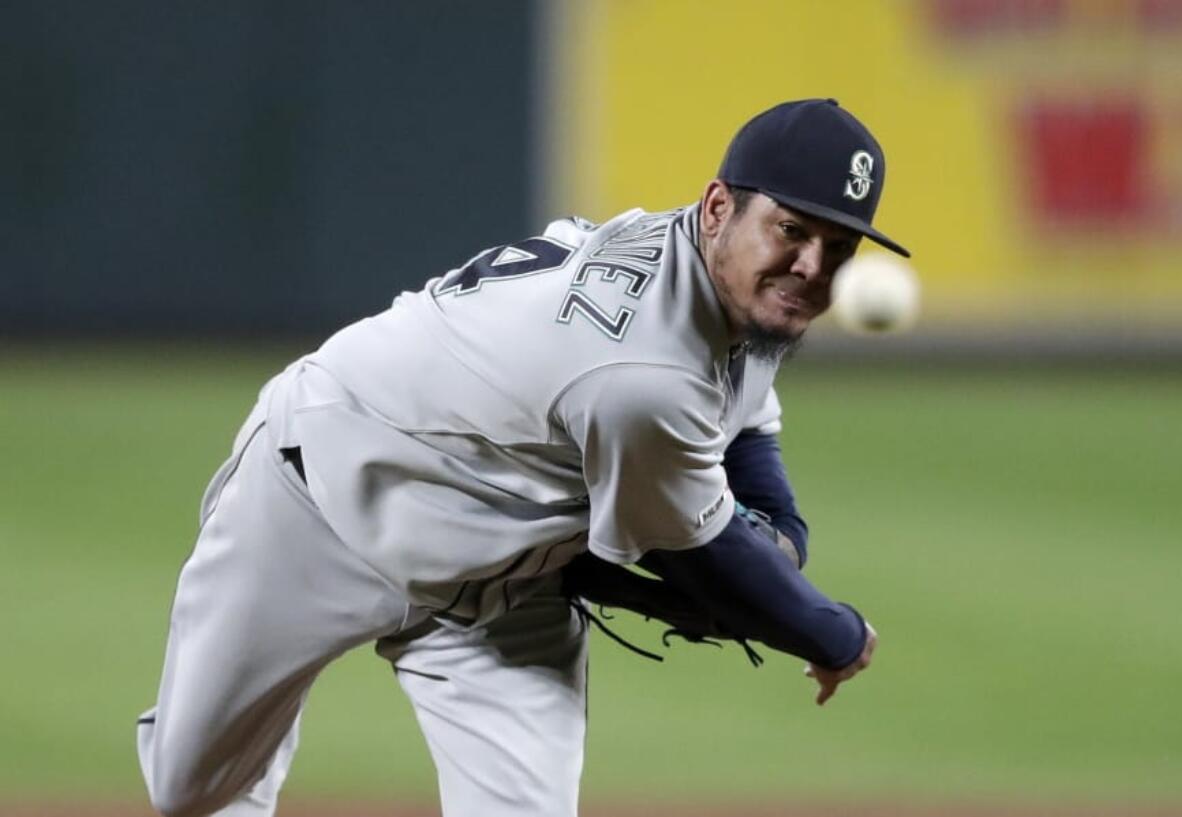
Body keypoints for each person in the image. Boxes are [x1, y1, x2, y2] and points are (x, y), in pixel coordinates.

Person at [137, 98, 909, 817]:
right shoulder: (641, 372)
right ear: (719, 209)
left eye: (836, 247)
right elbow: (703, 559)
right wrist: (833, 633)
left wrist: (782, 536)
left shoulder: (743, 288)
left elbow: (744, 425)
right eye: (792, 230)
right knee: (189, 790)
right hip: (322, 505)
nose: (813, 266)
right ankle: (255, 726)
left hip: (502, 586)